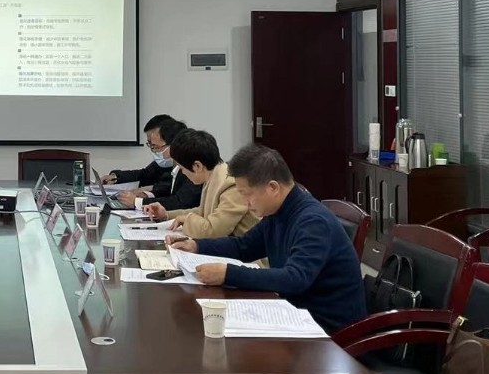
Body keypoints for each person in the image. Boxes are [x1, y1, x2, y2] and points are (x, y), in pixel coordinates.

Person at [168, 144, 365, 333]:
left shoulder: (313, 221)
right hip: (295, 312)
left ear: (273, 188)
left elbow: (295, 278)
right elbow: (244, 246)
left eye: (247, 194)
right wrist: (196, 245)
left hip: (328, 330)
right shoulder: (278, 212)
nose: (246, 203)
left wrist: (228, 274)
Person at [142, 129, 258, 240]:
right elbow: (203, 212)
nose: (183, 173)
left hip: (245, 252)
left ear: (197, 166)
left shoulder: (231, 185)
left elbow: (214, 231)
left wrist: (187, 221)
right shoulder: (212, 176)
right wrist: (166, 215)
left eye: (182, 168)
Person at [108, 117, 202, 211]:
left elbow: (180, 202)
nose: (154, 151)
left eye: (156, 147)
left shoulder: (192, 168)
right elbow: (168, 189)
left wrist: (138, 202)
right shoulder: (176, 165)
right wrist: (147, 195)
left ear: (173, 145)